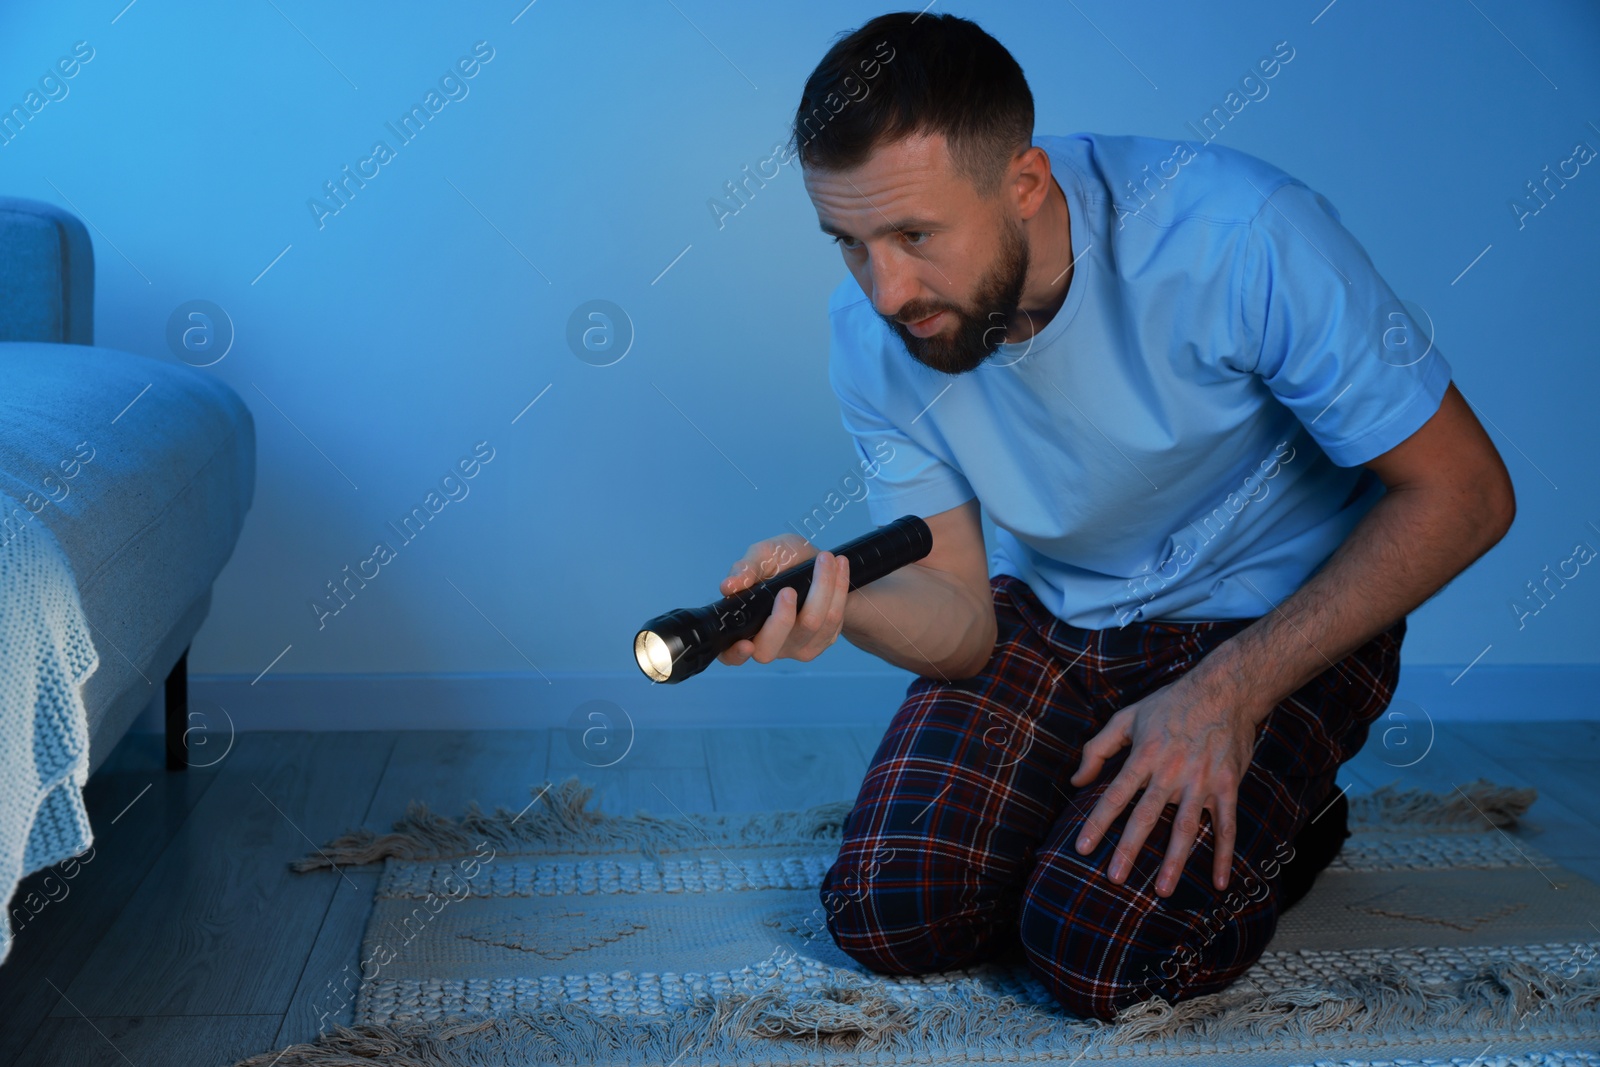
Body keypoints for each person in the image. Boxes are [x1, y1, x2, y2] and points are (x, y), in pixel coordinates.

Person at [715, 11, 1516, 1021]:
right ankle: (1082, 810)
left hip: (1275, 615)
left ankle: (1296, 811)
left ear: (1024, 184)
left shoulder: (1238, 234)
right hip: (1058, 612)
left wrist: (1232, 690)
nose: (886, 289)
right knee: (887, 916)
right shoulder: (877, 334)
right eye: (850, 245)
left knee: (1098, 958)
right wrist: (842, 602)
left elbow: (1466, 493)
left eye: (914, 235)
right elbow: (964, 622)